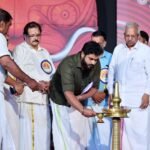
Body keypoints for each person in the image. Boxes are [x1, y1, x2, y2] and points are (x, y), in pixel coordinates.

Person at [0, 8, 47, 150]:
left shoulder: (45, 52)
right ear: (2, 24)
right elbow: (6, 62)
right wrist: (30, 81)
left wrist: (16, 82)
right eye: (8, 26)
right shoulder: (0, 37)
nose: (8, 31)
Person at [49, 41, 103, 150]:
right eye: (91, 59)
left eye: (96, 59)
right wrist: (83, 110)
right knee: (63, 136)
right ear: (83, 54)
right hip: (60, 99)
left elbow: (95, 88)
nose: (93, 62)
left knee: (78, 137)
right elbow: (68, 93)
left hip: (77, 99)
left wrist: (80, 98)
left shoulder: (96, 64)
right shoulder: (68, 64)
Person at [13, 21, 55, 150]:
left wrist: (49, 83)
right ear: (25, 36)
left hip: (43, 100)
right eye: (32, 35)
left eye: (38, 35)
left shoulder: (45, 52)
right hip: (29, 99)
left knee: (43, 137)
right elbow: (17, 73)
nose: (35, 38)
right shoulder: (21, 49)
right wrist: (37, 83)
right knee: (31, 138)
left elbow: (51, 72)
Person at [108, 22, 150, 150]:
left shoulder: (146, 51)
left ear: (138, 36)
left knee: (140, 138)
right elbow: (111, 70)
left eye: (133, 36)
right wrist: (110, 92)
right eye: (127, 35)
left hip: (138, 102)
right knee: (121, 139)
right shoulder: (118, 49)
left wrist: (147, 93)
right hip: (120, 102)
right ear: (123, 35)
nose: (130, 38)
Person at [85, 30, 112, 150]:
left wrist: (104, 93)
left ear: (104, 44)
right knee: (89, 141)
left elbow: (116, 79)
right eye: (93, 42)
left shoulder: (111, 58)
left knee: (104, 141)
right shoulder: (85, 57)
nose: (95, 46)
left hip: (104, 105)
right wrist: (92, 93)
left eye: (99, 43)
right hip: (88, 105)